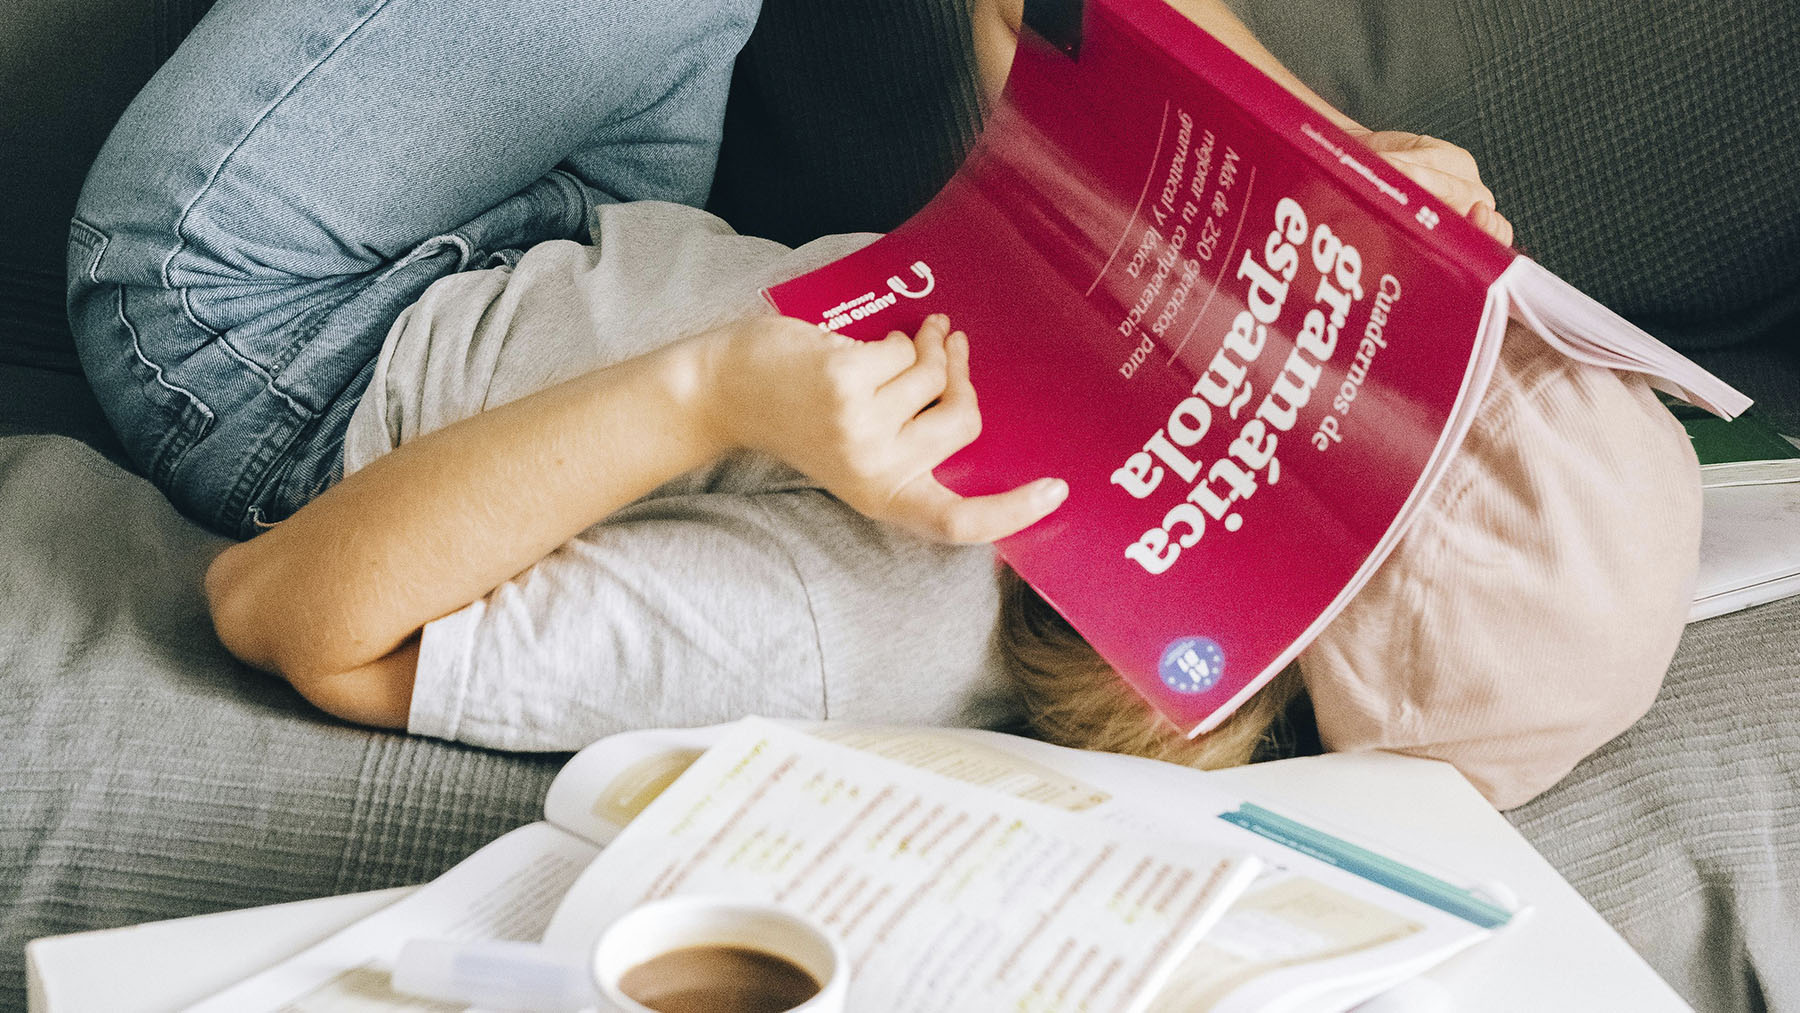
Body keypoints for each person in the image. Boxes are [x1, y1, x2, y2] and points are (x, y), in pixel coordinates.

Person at [69, 0, 1697, 810]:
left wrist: (718, 393)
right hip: (553, 229)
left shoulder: (872, 623)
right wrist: (1326, 161)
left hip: (270, 333)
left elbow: (292, 612)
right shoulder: (1145, 414)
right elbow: (1027, 30)